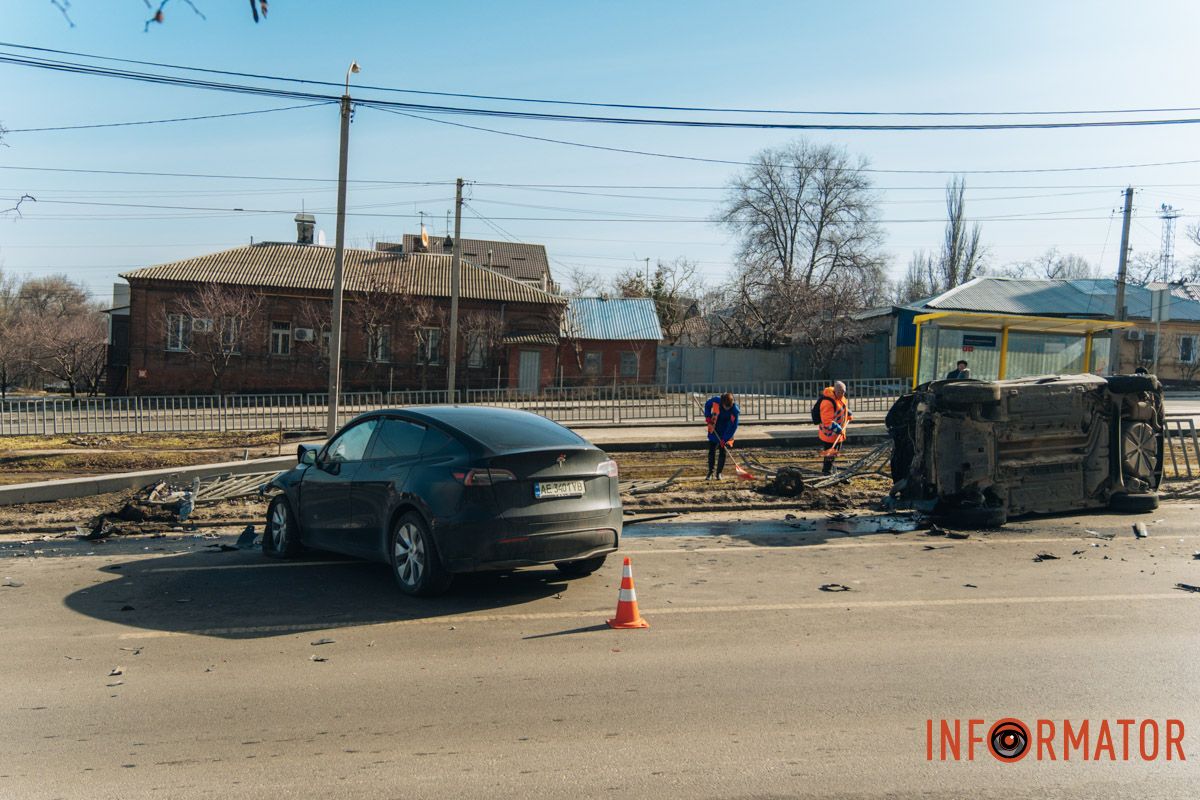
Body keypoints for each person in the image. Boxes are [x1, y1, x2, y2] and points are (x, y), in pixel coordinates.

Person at [817, 381, 853, 476]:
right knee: (830, 453)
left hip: (838, 433)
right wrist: (838, 429)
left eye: (843, 392)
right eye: (839, 392)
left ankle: (830, 469)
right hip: (829, 434)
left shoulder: (841, 398)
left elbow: (841, 408)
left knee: (834, 453)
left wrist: (847, 414)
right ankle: (826, 471)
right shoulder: (827, 402)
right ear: (834, 390)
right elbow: (827, 421)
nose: (841, 394)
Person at [703, 392, 740, 480]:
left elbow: (733, 426)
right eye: (725, 406)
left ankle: (719, 473)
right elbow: (707, 405)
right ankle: (710, 472)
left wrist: (725, 438)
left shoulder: (735, 410)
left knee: (722, 452)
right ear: (722, 403)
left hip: (726, 432)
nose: (727, 408)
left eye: (729, 407)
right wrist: (708, 416)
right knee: (712, 450)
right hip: (714, 426)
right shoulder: (716, 401)